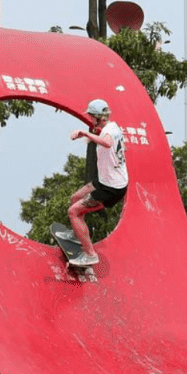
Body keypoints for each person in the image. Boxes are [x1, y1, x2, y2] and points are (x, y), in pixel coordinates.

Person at [54, 99, 128, 266]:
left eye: (91, 117)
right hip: (105, 180)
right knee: (75, 198)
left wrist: (86, 134)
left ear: (97, 117)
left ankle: (90, 255)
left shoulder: (107, 132)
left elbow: (108, 143)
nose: (90, 120)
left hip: (110, 189)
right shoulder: (113, 126)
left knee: (73, 212)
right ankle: (76, 234)